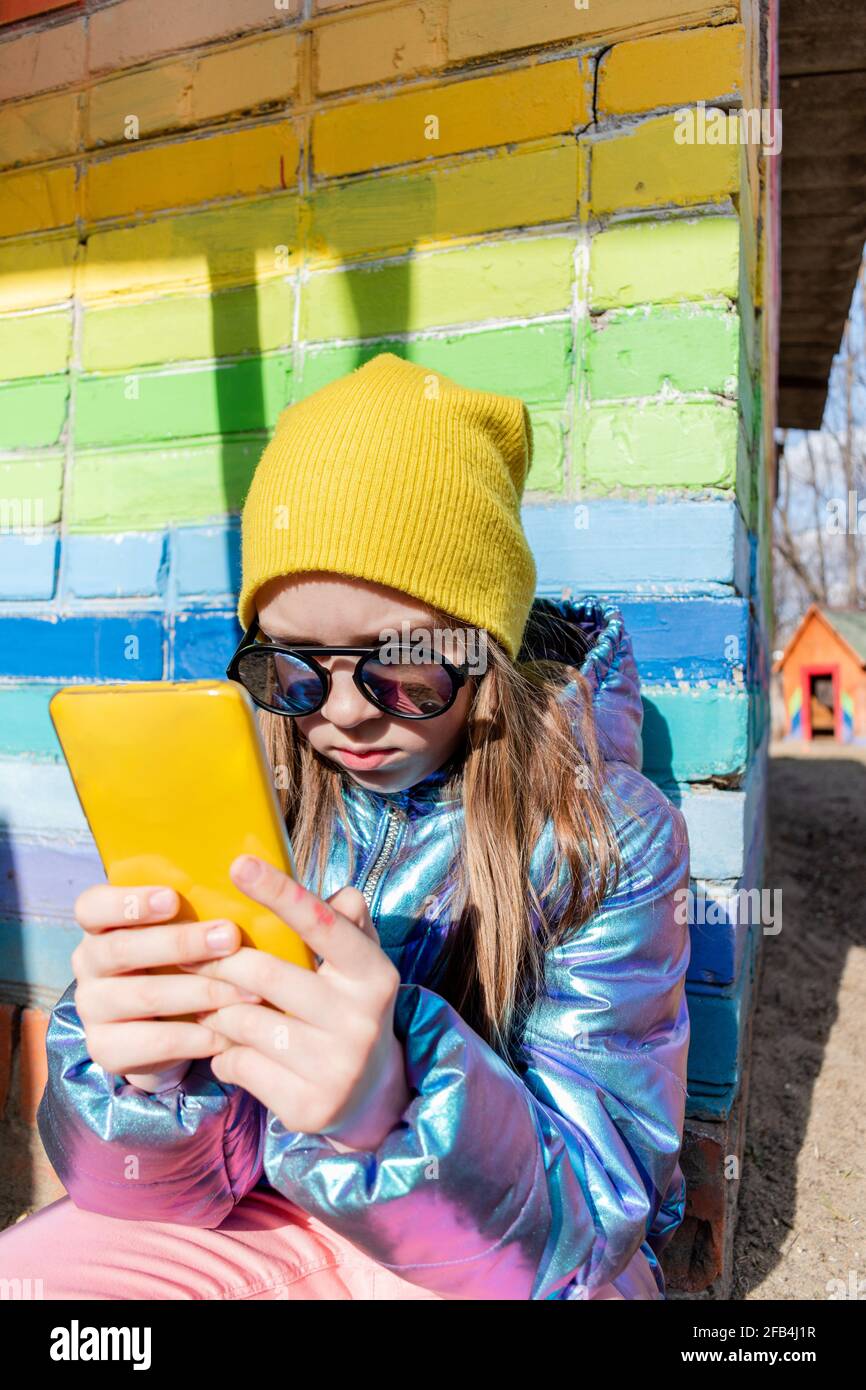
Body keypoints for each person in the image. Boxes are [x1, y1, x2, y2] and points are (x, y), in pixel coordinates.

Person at [0, 352, 690, 1300]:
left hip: (501, 1260)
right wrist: (149, 1089)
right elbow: (163, 1193)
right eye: (294, 667)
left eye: (402, 665)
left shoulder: (605, 836)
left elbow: (602, 1214)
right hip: (284, 1218)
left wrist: (390, 1107)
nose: (344, 715)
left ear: (483, 645)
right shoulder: (261, 790)